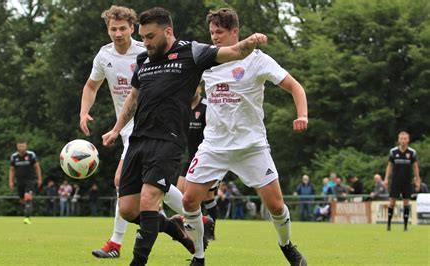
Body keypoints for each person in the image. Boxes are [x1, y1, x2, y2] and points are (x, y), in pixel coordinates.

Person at [101, 7, 269, 266]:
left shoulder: (192, 52)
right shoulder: (145, 60)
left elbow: (233, 52)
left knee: (149, 200)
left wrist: (251, 41)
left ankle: (138, 262)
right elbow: (133, 99)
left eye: (150, 36)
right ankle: (174, 229)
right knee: (128, 209)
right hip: (138, 139)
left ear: (168, 31)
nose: (144, 43)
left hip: (168, 140)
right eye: (143, 37)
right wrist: (116, 128)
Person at [181, 8, 308, 265]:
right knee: (188, 199)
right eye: (212, 32)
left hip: (251, 146)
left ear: (235, 32)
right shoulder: (207, 60)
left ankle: (287, 245)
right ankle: (198, 255)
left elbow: (295, 86)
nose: (214, 37)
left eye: (220, 32)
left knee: (276, 206)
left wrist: (302, 115)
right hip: (214, 146)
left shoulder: (257, 60)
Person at [79, 5, 186, 259]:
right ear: (108, 30)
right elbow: (91, 86)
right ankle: (194, 214)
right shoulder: (104, 55)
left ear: (132, 28)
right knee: (146, 183)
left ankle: (116, 243)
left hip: (148, 126)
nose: (118, 34)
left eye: (123, 28)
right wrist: (84, 112)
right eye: (113, 29)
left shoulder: (146, 49)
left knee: (121, 180)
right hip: (125, 128)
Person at [176, 84, 217, 240]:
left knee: (208, 197)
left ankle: (210, 231)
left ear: (199, 88)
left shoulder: (207, 107)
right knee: (180, 193)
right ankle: (193, 227)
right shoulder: (184, 108)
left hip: (208, 159)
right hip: (190, 158)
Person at [384, 131, 421, 231]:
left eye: (405, 139)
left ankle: (405, 226)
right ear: (398, 140)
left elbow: (415, 166)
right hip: (395, 181)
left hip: (407, 181)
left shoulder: (412, 153)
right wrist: (386, 179)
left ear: (408, 140)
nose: (403, 141)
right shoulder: (393, 152)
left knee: (406, 202)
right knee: (392, 202)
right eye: (401, 138)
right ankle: (388, 225)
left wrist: (418, 180)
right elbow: (390, 165)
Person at [9, 140, 42, 224]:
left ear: (26, 146)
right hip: (20, 181)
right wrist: (11, 181)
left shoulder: (31, 155)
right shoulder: (14, 157)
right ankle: (27, 210)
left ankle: (27, 218)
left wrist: (39, 179)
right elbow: (12, 170)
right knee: (22, 200)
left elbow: (37, 167)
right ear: (17, 146)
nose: (21, 148)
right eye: (20, 146)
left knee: (27, 197)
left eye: (23, 146)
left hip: (30, 180)